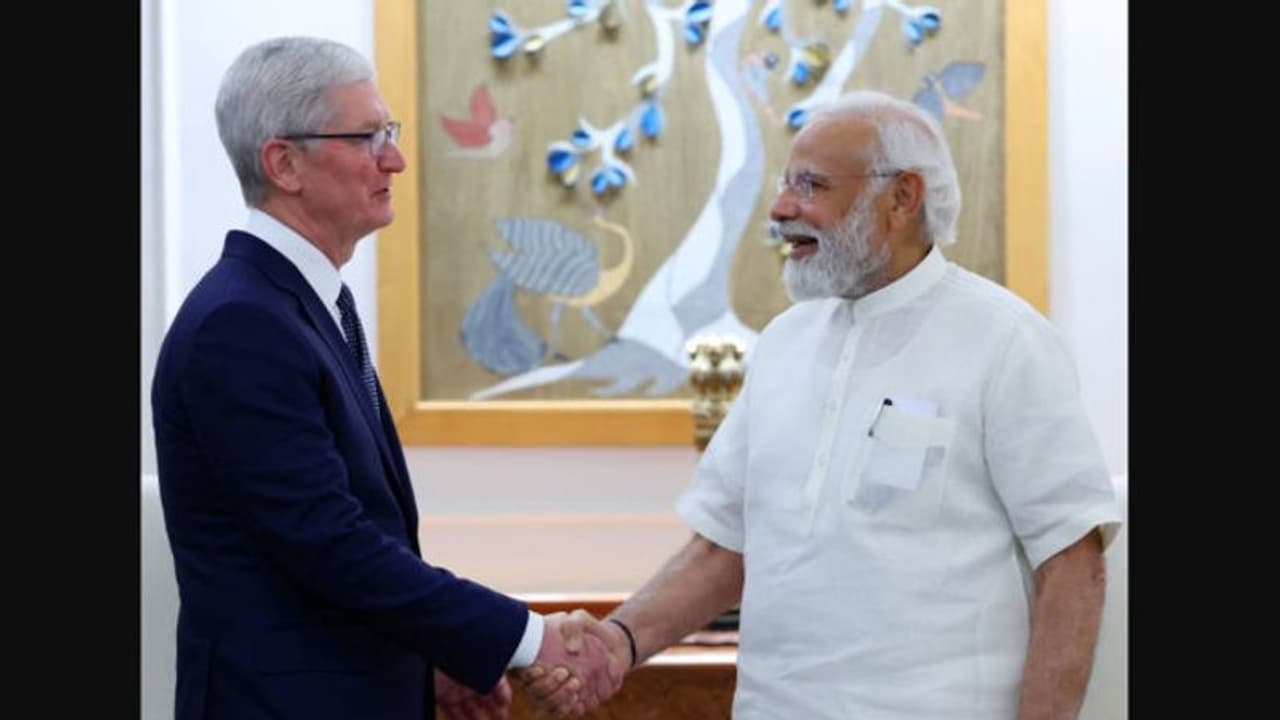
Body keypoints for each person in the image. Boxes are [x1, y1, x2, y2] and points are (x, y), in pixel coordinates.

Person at [525, 89, 1123, 719]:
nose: (782, 209)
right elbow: (725, 548)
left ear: (901, 198)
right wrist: (618, 642)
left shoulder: (1005, 340)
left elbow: (1072, 565)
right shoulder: (785, 342)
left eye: (811, 186)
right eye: (786, 184)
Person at [151, 36, 619, 720]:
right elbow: (328, 542)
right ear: (283, 162)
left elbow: (343, 553)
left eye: (389, 133)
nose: (395, 159)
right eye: (369, 137)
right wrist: (527, 638)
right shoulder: (241, 325)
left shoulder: (304, 304)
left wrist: (425, 662)